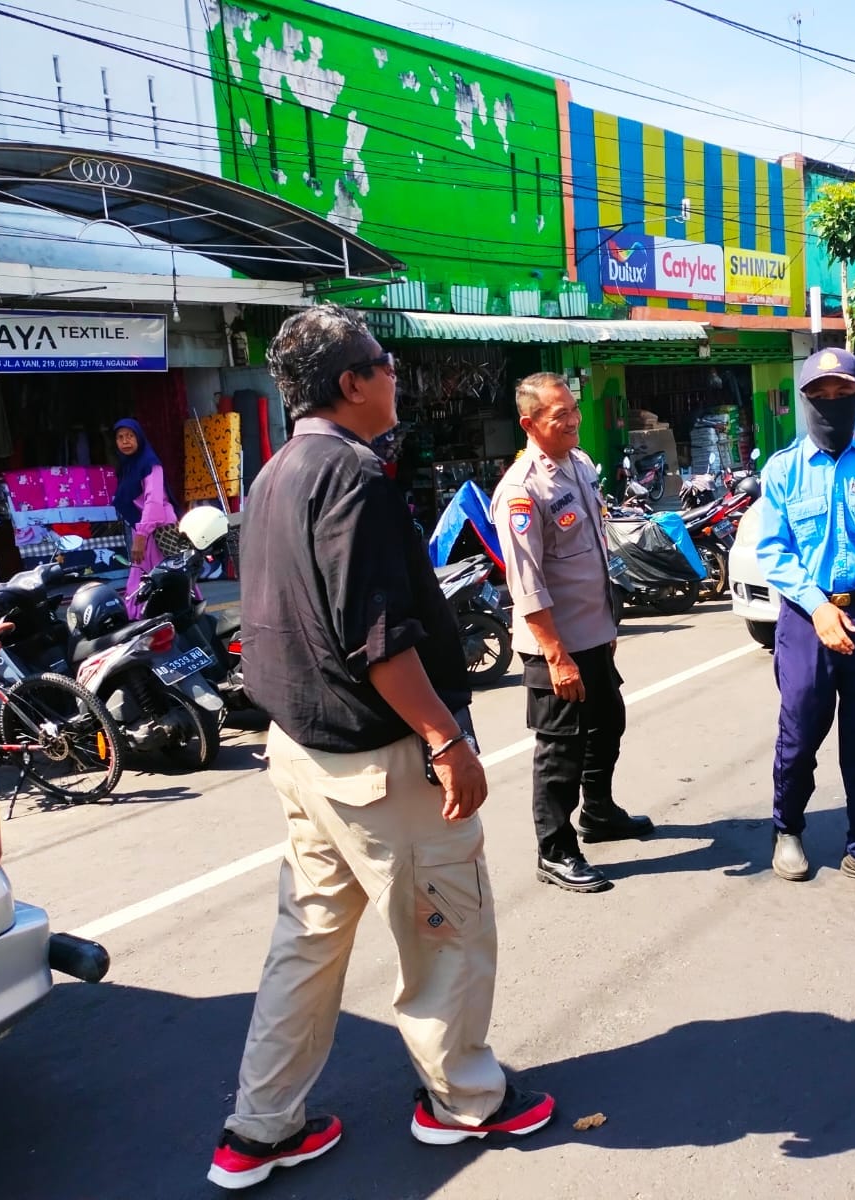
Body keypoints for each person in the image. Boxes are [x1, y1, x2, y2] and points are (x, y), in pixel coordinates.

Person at [207, 306, 553, 1191]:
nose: (394, 374)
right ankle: (464, 1101)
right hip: (377, 761)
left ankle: (260, 1126)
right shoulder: (350, 474)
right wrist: (444, 739)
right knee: (446, 930)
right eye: (384, 362)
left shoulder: (277, 472)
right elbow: (379, 638)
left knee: (309, 939)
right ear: (350, 382)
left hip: (301, 752)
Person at [755, 347, 855, 889]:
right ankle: (788, 830)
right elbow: (774, 552)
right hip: (806, 617)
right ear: (805, 400)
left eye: (842, 393)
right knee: (799, 731)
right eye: (820, 395)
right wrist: (817, 604)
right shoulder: (782, 470)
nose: (831, 403)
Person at [491, 373, 652, 895]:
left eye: (572, 410)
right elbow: (528, 583)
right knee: (560, 749)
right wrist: (557, 656)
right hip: (554, 647)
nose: (572, 421)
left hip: (593, 633)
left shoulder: (578, 465)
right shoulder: (521, 490)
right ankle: (555, 849)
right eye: (558, 415)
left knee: (608, 723)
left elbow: (594, 552)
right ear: (529, 424)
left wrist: (604, 627)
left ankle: (599, 812)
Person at [111, 417, 178, 618]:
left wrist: (141, 535)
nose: (125, 441)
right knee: (149, 580)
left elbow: (154, 501)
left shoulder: (150, 464)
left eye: (130, 436)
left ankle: (146, 620)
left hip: (157, 530)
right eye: (120, 437)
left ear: (139, 438)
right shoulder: (127, 467)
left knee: (161, 578)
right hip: (143, 529)